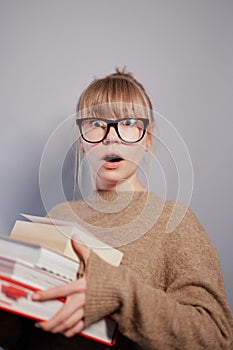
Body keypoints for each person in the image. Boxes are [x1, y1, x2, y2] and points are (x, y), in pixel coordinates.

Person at [0, 69, 233, 350]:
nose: (112, 138)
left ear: (147, 138)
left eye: (129, 122)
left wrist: (119, 292)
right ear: (82, 140)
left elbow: (217, 336)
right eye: (97, 123)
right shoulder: (58, 216)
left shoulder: (173, 221)